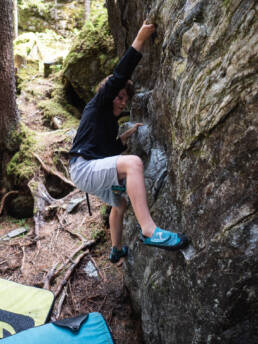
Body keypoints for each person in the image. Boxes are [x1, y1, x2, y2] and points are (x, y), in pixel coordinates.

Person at [69, 21, 189, 263]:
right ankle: (149, 230)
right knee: (133, 164)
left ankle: (116, 249)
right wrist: (140, 38)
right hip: (82, 168)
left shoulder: (107, 122)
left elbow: (108, 152)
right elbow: (120, 74)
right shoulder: (99, 102)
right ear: (110, 93)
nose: (123, 103)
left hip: (87, 168)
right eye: (120, 97)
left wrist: (124, 136)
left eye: (126, 100)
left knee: (121, 204)